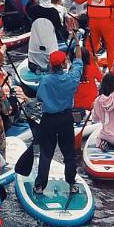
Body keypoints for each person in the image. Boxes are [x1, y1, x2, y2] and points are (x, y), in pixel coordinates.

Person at [30, 48, 86, 194]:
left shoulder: (45, 81)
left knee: (46, 153)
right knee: (69, 154)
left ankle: (40, 186)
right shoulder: (71, 78)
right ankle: (72, 184)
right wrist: (77, 42)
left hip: (48, 120)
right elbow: (79, 61)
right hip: (66, 119)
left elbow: (40, 98)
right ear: (63, 65)